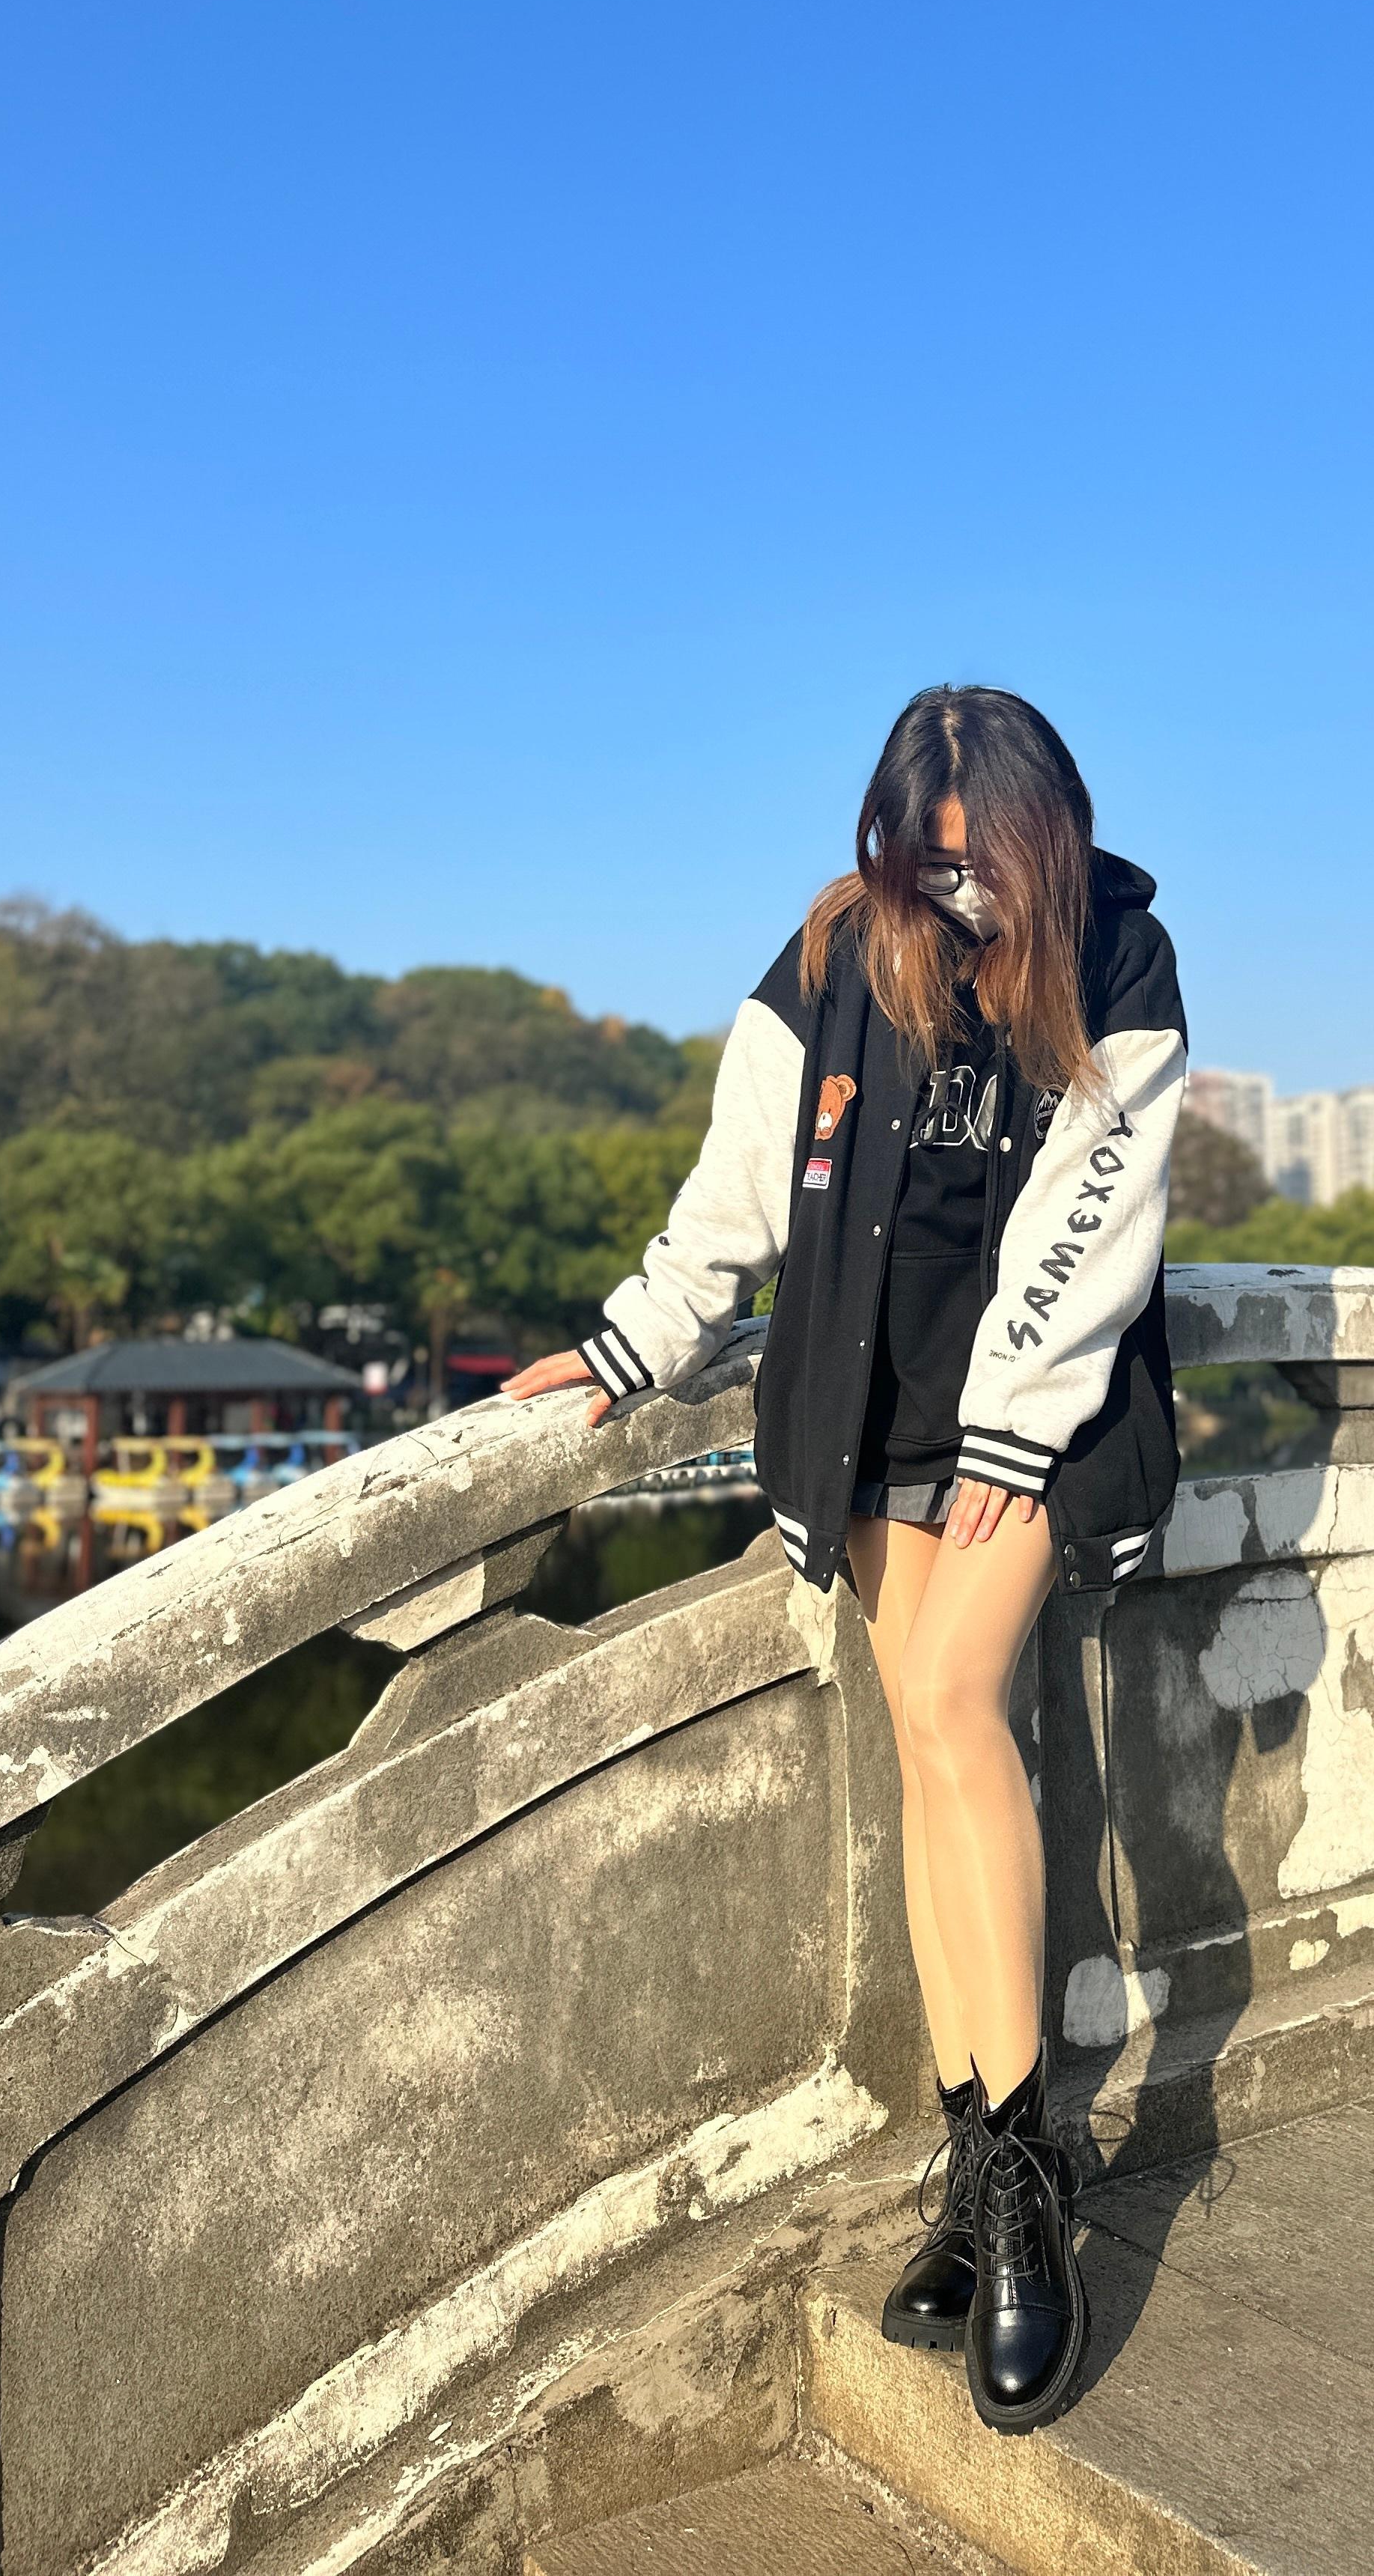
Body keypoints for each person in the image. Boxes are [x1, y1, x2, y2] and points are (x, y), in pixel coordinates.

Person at [504, 683, 1186, 2432]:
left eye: (982, 860)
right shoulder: (834, 950)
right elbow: (742, 1183)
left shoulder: (1118, 949)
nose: (956, 891)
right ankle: (976, 2167)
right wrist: (636, 1340)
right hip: (873, 1398)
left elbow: (1101, 1210)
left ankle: (1028, 2198)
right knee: (926, 1754)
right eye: (925, 860)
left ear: (1046, 832)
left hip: (1027, 1411)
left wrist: (1017, 1424)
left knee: (957, 1707)